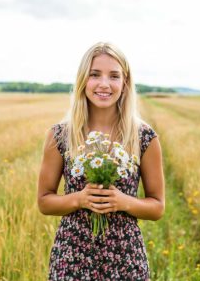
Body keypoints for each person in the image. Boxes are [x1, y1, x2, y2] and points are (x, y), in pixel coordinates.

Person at [37, 42, 165, 281]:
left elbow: (157, 207)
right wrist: (79, 199)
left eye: (114, 76)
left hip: (127, 260)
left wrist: (123, 201)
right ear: (83, 80)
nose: (104, 84)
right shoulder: (60, 136)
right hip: (71, 258)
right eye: (95, 74)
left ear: (125, 84)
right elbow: (44, 202)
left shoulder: (144, 137)